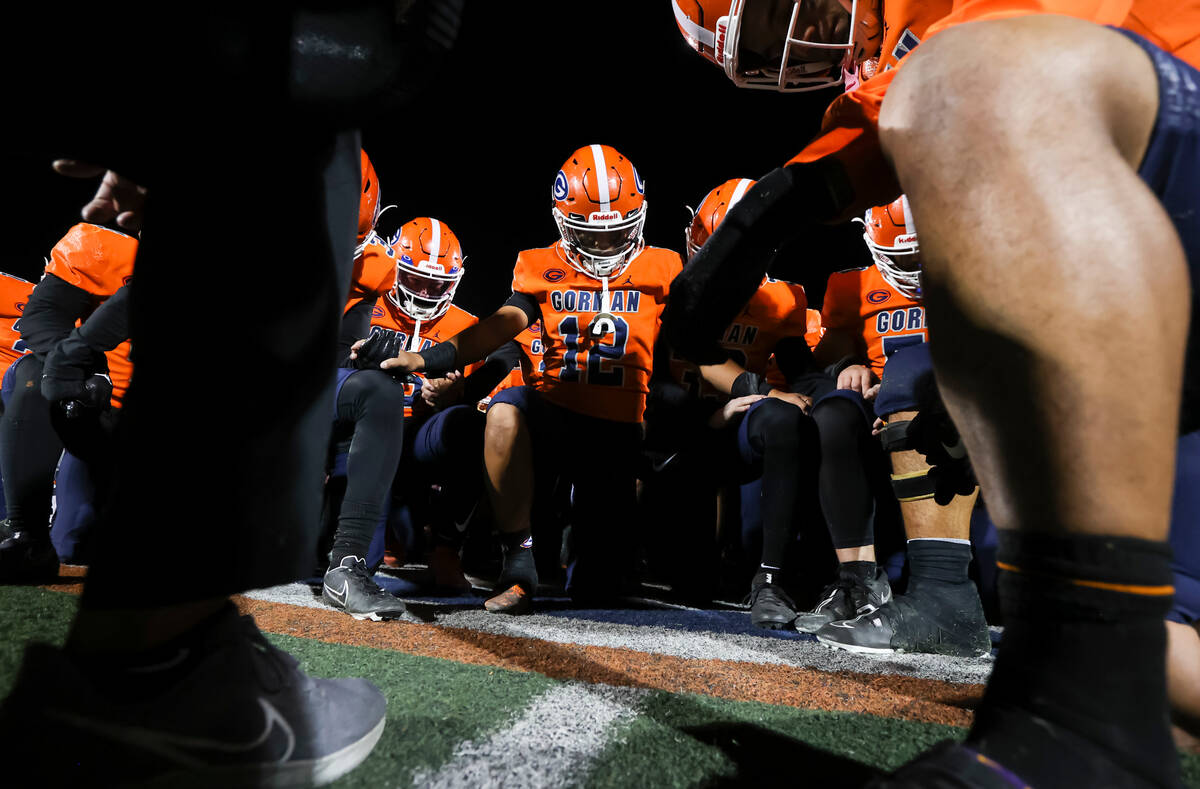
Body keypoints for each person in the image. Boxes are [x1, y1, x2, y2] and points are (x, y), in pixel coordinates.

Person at [670, 0, 1198, 785]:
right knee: (1137, 647)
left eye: (790, 12)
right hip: (1162, 282)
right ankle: (1079, 705)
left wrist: (791, 194)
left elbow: (985, 67)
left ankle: (1074, 719)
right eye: (768, 47)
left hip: (1164, 120)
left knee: (961, 84)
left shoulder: (937, 59)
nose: (808, 43)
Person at [0, 3, 468, 783]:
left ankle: (147, 652)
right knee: (298, 143)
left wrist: (169, 92)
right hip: (127, 403)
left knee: (280, 140)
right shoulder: (113, 244)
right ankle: (162, 666)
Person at [375, 144, 683, 614]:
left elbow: (690, 344)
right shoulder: (540, 265)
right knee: (504, 410)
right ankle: (517, 563)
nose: (602, 246)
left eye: (615, 233)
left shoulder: (664, 267)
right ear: (563, 221)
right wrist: (428, 359)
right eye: (590, 234)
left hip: (618, 431)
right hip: (554, 416)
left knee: (599, 588)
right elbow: (500, 326)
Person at [795, 196, 989, 658]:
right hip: (887, 407)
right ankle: (858, 582)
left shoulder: (982, 269)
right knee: (840, 409)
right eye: (904, 259)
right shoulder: (853, 286)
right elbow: (825, 360)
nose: (916, 270)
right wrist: (852, 365)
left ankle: (943, 592)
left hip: (973, 410)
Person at [646, 177, 826, 627]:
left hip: (740, 427)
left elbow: (801, 373)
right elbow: (652, 380)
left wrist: (838, 387)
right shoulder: (664, 287)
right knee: (691, 584)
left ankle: (770, 579)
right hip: (680, 430)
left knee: (783, 418)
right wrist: (708, 413)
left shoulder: (779, 299)